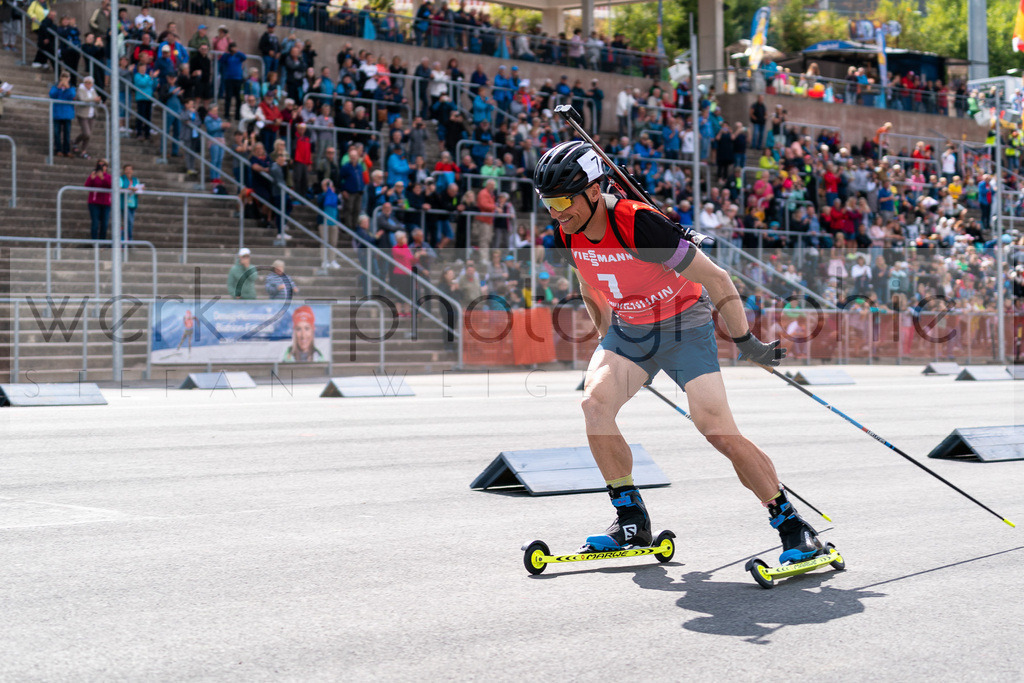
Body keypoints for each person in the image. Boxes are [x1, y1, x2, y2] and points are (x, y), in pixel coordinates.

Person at [534, 141, 825, 566]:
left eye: (563, 201)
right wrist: (607, 341)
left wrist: (749, 345)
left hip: (684, 326)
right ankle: (631, 519)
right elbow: (588, 284)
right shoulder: (565, 233)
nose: (556, 212)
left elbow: (718, 280)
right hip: (630, 331)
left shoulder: (639, 226)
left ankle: (792, 525)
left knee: (717, 431)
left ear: (594, 191)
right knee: (594, 405)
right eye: (548, 203)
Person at [72, 75, 100, 159]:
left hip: (91, 114)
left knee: (88, 135)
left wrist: (97, 101)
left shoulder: (93, 90)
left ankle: (84, 150)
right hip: (83, 114)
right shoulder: (81, 89)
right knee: (86, 133)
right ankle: (75, 142)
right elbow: (82, 99)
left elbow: (97, 100)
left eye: (90, 83)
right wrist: (93, 99)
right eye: (86, 83)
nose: (88, 84)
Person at [49, 72, 75, 157]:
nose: (64, 79)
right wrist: (58, 87)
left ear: (69, 78)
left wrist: (67, 87)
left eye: (66, 77)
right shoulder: (56, 86)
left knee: (67, 133)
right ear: (60, 78)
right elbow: (52, 95)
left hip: (67, 114)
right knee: (57, 133)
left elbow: (72, 96)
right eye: (63, 76)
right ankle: (58, 149)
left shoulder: (71, 87)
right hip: (57, 113)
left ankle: (66, 150)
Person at [85, 159, 111, 241]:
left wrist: (102, 178)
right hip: (94, 202)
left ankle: (102, 241)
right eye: (99, 165)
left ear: (106, 167)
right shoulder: (93, 175)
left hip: (106, 203)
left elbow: (110, 185)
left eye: (103, 165)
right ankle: (94, 241)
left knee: (104, 224)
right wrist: (92, 178)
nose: (101, 167)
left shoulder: (109, 176)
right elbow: (87, 186)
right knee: (95, 223)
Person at [119, 163, 141, 242]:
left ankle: (126, 239)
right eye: (127, 169)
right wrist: (130, 189)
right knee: (129, 222)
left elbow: (138, 192)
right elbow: (119, 188)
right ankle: (129, 239)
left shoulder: (135, 180)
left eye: (130, 169)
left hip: (133, 204)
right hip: (124, 204)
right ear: (124, 171)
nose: (129, 171)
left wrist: (140, 190)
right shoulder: (121, 178)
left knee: (130, 223)